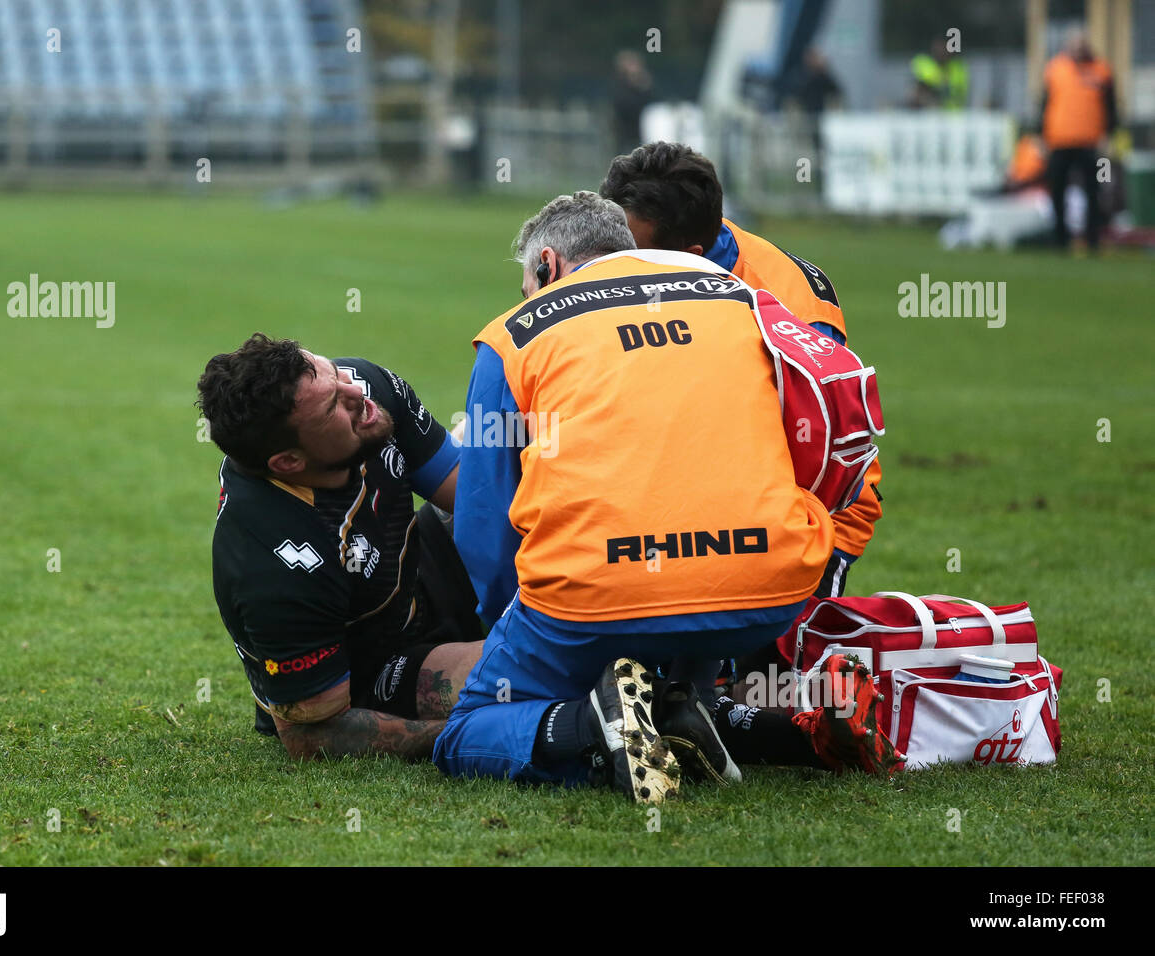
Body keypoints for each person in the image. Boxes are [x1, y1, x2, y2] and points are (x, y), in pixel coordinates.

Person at [434, 192, 898, 802]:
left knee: (464, 731)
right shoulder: (748, 303)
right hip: (765, 592)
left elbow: (484, 524)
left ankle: (595, 725)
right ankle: (698, 702)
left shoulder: (515, 335)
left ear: (548, 265)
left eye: (528, 284)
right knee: (687, 587)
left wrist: (508, 626)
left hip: (600, 597)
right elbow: (839, 421)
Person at [599, 142, 881, 601]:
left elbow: (815, 455)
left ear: (689, 255)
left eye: (630, 251)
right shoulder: (628, 263)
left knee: (760, 670)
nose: (610, 267)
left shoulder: (793, 307)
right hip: (680, 493)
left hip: (804, 506)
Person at [196, 334, 484, 759]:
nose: (356, 394)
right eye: (333, 405)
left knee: (507, 436)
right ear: (290, 463)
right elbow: (312, 736)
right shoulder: (270, 563)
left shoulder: (363, 389)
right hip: (380, 671)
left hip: (418, 577)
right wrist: (469, 733)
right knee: (521, 671)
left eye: (336, 375)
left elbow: (472, 495)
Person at [1041, 28, 1116, 252]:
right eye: (1074, 44)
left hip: (1090, 142)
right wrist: (1041, 135)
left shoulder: (1101, 70)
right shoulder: (1055, 69)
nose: (1078, 48)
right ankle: (1060, 240)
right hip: (1059, 141)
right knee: (1057, 191)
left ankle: (1092, 240)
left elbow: (1111, 108)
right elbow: (1044, 104)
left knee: (1093, 192)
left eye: (1081, 44)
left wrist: (1109, 135)